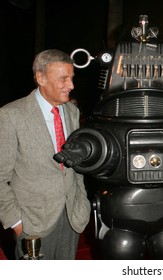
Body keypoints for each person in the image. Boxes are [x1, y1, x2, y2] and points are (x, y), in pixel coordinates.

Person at [0, 49, 91, 259]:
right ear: (40, 78)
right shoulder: (11, 116)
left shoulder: (71, 112)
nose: (71, 85)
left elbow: (75, 166)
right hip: (32, 223)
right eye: (63, 79)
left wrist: (81, 203)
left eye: (72, 78)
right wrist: (16, 222)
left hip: (72, 217)